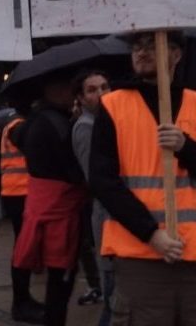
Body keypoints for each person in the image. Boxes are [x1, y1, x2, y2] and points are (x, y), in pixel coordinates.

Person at [88, 31, 196, 326]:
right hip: (140, 258)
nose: (141, 52)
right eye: (136, 47)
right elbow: (104, 182)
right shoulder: (113, 105)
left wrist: (187, 148)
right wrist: (151, 234)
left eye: (151, 45)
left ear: (176, 55)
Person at [13, 69, 87, 326]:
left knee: (55, 275)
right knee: (61, 276)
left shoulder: (35, 120)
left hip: (40, 204)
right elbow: (76, 171)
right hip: (62, 210)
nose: (75, 95)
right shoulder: (57, 125)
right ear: (55, 91)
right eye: (71, 89)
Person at [0, 103, 43, 324]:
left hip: (18, 190)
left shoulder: (14, 124)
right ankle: (21, 302)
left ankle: (24, 299)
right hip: (20, 192)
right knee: (23, 248)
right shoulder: (18, 126)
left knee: (24, 246)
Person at [71, 70, 110, 312]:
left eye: (105, 86)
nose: (101, 93)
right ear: (82, 98)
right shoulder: (86, 127)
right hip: (106, 214)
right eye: (92, 90)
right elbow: (93, 178)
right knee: (113, 295)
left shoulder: (106, 122)